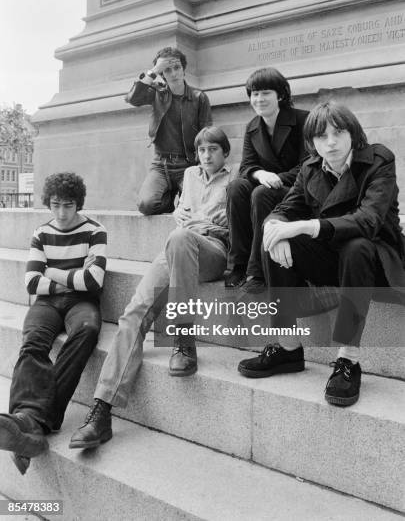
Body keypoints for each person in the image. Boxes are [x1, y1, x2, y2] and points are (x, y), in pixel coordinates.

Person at [69, 127, 238, 450]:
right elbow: (179, 212)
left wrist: (206, 226)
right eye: (202, 150)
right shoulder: (189, 175)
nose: (206, 156)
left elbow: (237, 225)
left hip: (213, 250)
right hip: (176, 246)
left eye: (213, 150)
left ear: (225, 153)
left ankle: (183, 337)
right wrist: (178, 213)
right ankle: (101, 412)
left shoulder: (237, 179)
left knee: (181, 237)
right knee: (134, 313)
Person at [238, 101, 405, 406]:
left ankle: (348, 359)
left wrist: (304, 226)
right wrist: (277, 229)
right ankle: (288, 348)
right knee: (273, 236)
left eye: (338, 133)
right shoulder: (310, 168)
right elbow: (281, 210)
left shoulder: (379, 160)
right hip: (332, 260)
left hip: (376, 261)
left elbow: (368, 221)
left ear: (353, 133)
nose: (330, 143)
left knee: (356, 247)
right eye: (321, 136)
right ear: (311, 142)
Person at [0, 173, 107, 473]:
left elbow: (92, 281)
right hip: (46, 304)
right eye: (56, 205)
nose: (61, 213)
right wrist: (74, 277)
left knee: (86, 332)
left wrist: (53, 272)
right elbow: (32, 283)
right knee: (33, 339)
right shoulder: (41, 233)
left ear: (78, 203)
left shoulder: (96, 231)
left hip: (82, 304)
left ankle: (30, 422)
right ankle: (25, 422)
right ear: (48, 203)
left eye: (68, 205)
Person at [225, 67, 308, 293]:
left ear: (280, 94)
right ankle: (239, 265)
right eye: (254, 93)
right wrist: (260, 174)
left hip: (296, 190)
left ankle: (259, 270)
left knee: (261, 193)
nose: (258, 99)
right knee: (236, 187)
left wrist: (276, 179)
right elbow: (246, 167)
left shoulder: (303, 120)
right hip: (265, 187)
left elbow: (308, 166)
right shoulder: (252, 127)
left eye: (265, 93)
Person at [125, 46, 212, 214]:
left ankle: (181, 196)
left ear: (184, 69)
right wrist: (154, 70)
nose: (173, 73)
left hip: (188, 165)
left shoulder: (199, 97)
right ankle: (170, 196)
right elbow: (132, 99)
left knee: (197, 207)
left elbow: (206, 135)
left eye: (177, 67)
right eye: (167, 69)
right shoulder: (156, 93)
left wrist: (202, 167)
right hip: (160, 165)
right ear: (162, 74)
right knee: (146, 205)